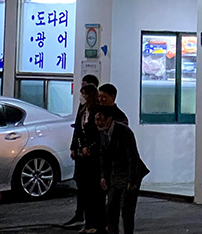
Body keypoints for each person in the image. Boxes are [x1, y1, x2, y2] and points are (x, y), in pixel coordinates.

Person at [96, 106, 148, 234]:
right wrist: (103, 176)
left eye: (100, 119)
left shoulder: (124, 132)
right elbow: (103, 156)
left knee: (127, 208)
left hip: (129, 172)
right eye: (96, 119)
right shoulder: (103, 132)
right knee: (111, 206)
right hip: (115, 173)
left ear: (109, 119)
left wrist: (132, 180)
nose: (97, 123)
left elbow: (132, 157)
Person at [63, 76, 101, 230]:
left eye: (84, 90)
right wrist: (74, 147)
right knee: (81, 183)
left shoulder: (96, 109)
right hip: (81, 153)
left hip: (91, 155)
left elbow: (97, 133)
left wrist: (88, 147)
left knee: (91, 188)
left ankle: (93, 221)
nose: (82, 95)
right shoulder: (83, 108)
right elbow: (78, 129)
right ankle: (81, 215)